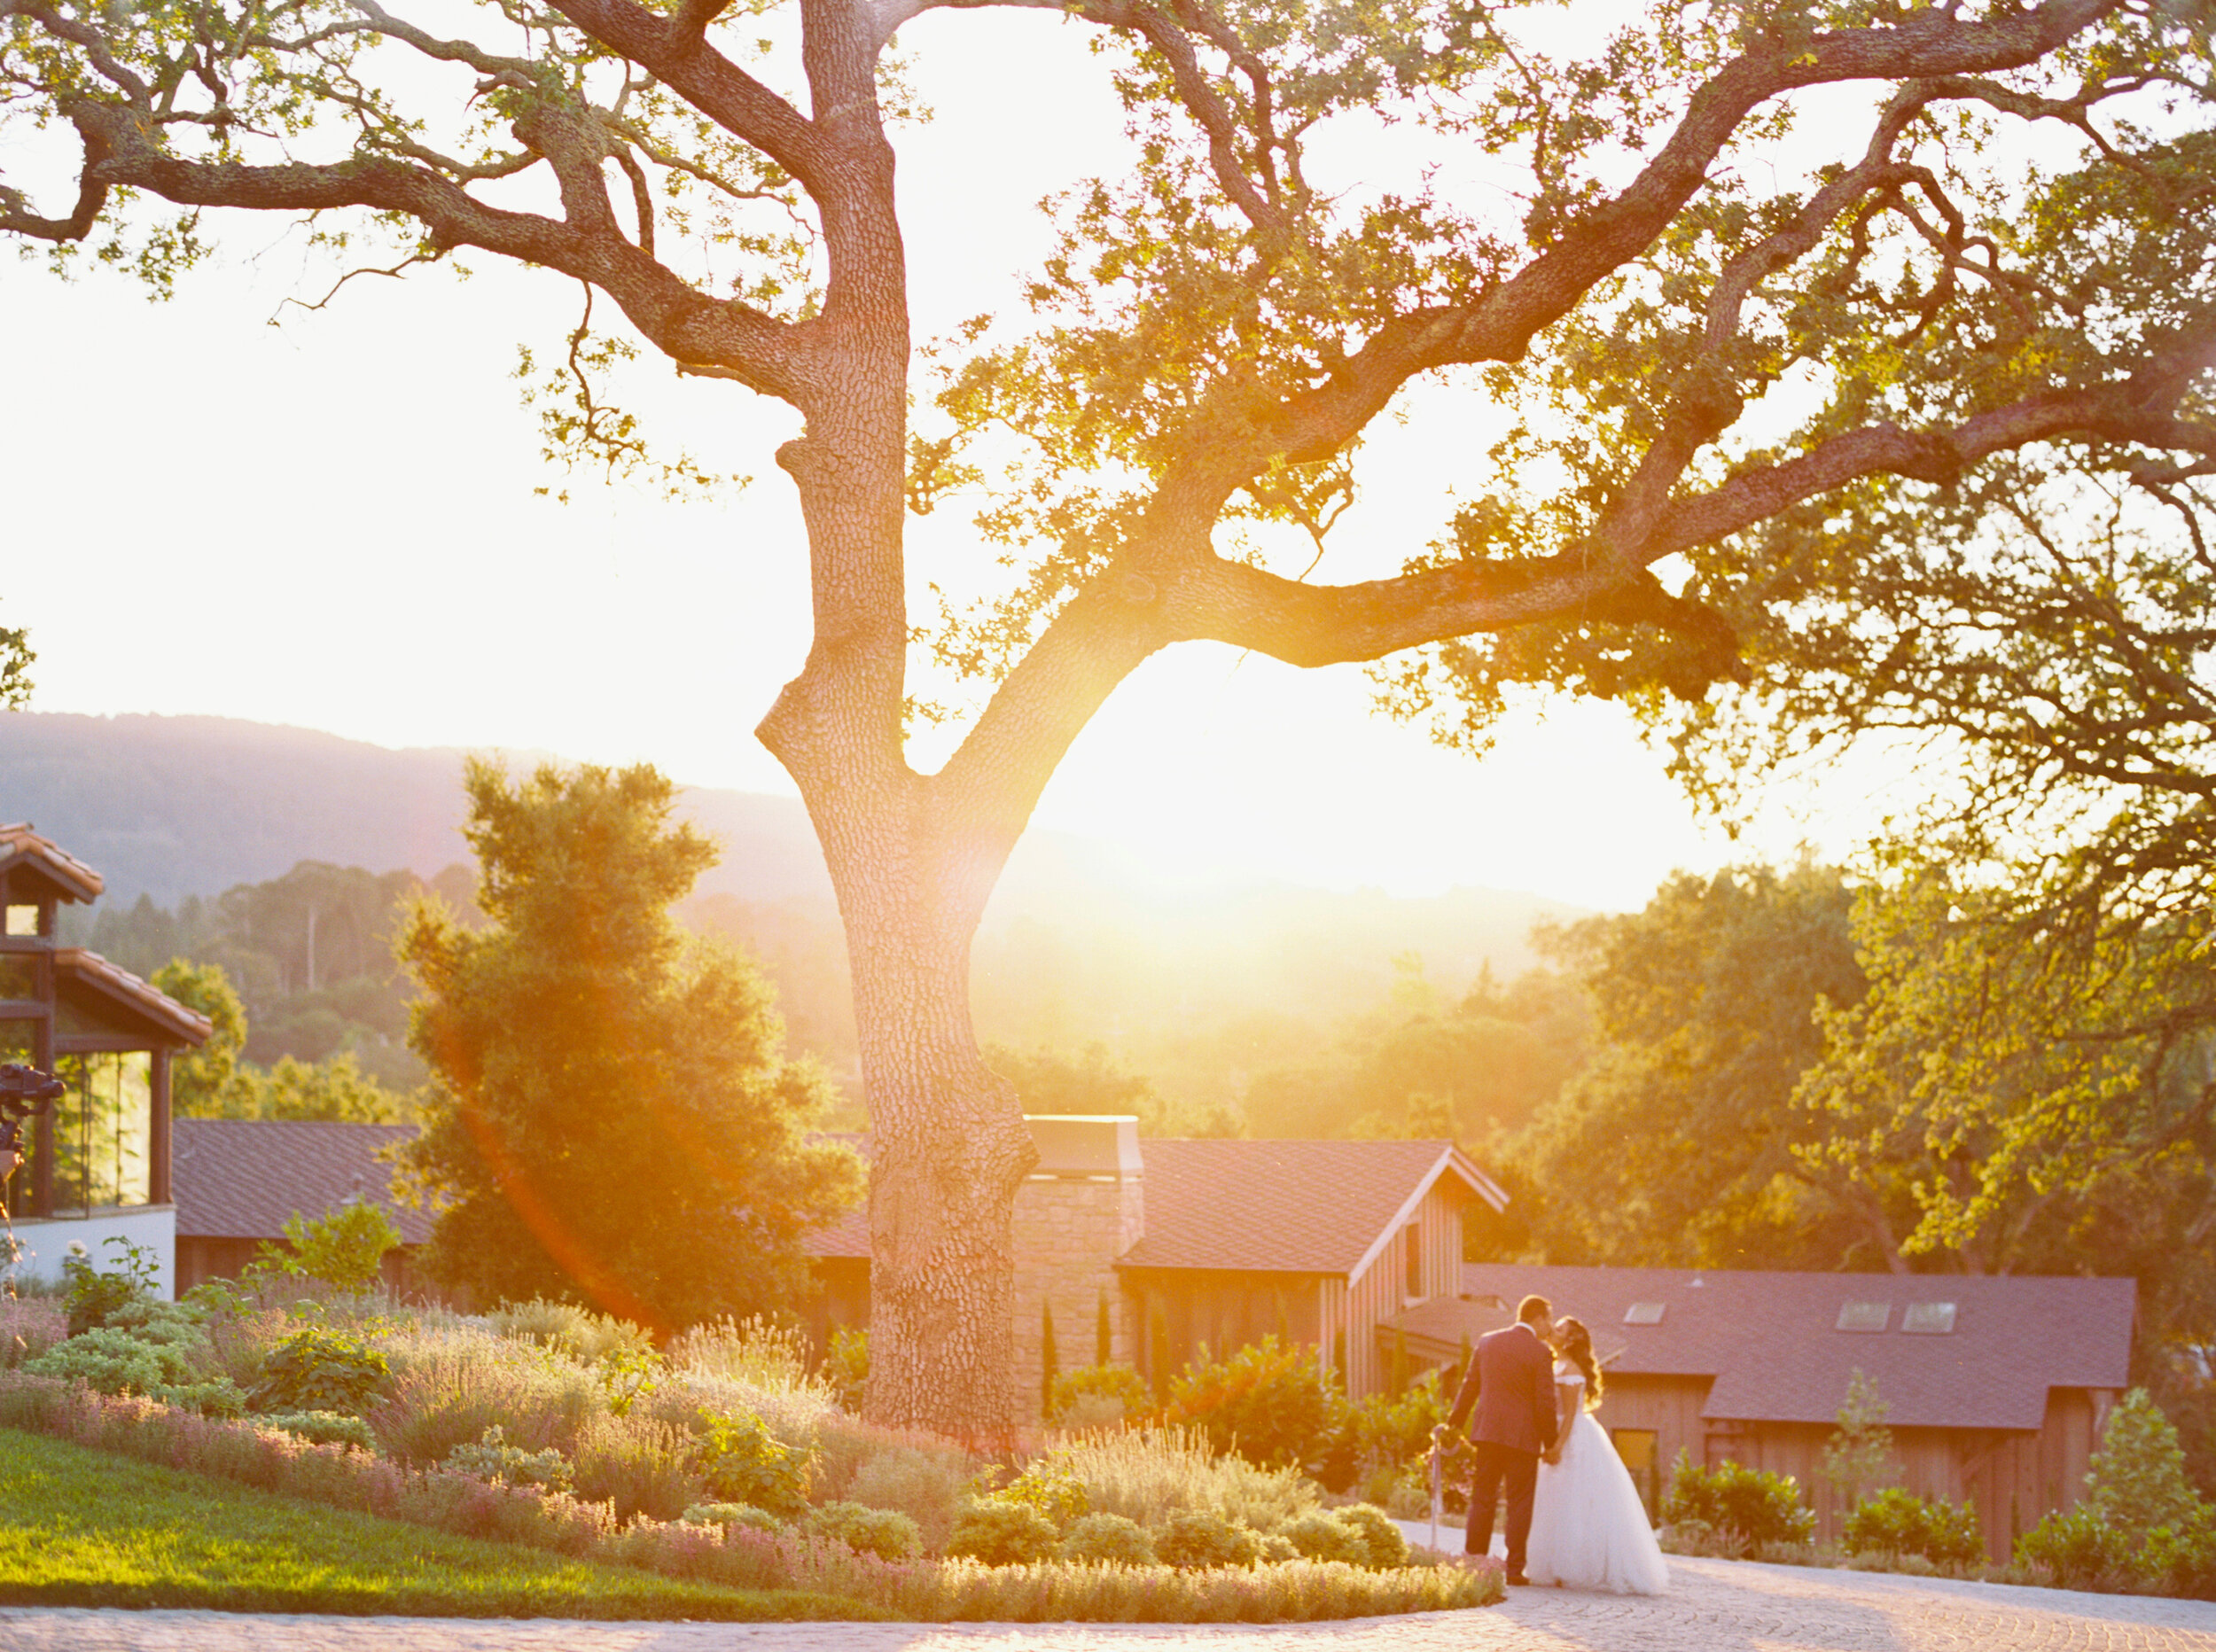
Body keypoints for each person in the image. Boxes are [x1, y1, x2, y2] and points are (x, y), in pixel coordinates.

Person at [1524, 1316, 1670, 1594]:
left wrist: (1556, 1446)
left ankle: (1575, 1567)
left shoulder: (1571, 1369)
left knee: (1574, 1500)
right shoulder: (1557, 1364)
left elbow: (1569, 1414)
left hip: (1571, 1437)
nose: (1552, 1332)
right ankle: (1555, 1564)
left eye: (1558, 1330)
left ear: (1570, 1340)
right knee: (1557, 1499)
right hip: (1558, 1432)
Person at [1439, 1293, 1558, 1585]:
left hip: (1488, 1434)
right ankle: (1514, 1569)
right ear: (1538, 1317)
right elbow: (1545, 1403)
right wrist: (1551, 1441)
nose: (1550, 1327)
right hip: (1522, 1439)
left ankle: (1474, 1562)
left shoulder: (1487, 1341)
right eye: (1549, 1320)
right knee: (1519, 1502)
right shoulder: (1540, 1352)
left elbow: (1469, 1388)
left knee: (1483, 1499)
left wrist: (1454, 1424)